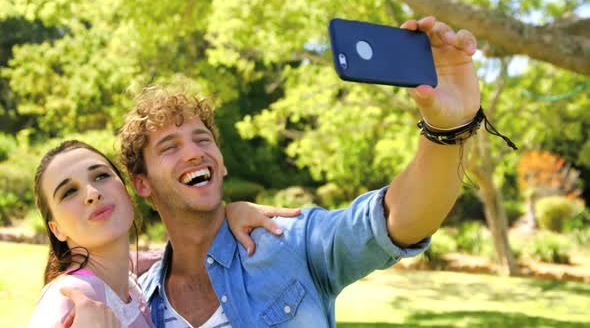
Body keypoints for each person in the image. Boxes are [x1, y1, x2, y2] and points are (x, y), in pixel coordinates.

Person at [80, 16, 486, 327]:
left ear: (221, 161)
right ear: (142, 183)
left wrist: (448, 129)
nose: (193, 153)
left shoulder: (289, 240)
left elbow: (396, 222)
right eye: (169, 147)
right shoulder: (141, 302)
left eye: (203, 140)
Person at [28, 140, 300, 327]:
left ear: (126, 192)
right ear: (56, 229)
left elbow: (178, 253)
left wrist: (228, 215)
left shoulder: (130, 283)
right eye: (69, 192)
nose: (92, 194)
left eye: (100, 176)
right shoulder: (69, 298)